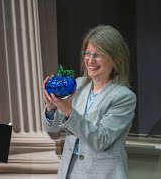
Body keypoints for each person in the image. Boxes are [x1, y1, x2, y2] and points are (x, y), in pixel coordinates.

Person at [42, 25, 136, 179]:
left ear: (116, 59)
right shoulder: (78, 85)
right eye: (87, 53)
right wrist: (51, 107)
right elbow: (52, 129)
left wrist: (68, 112)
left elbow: (101, 140)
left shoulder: (123, 97)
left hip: (103, 174)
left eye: (98, 55)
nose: (90, 60)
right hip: (70, 171)